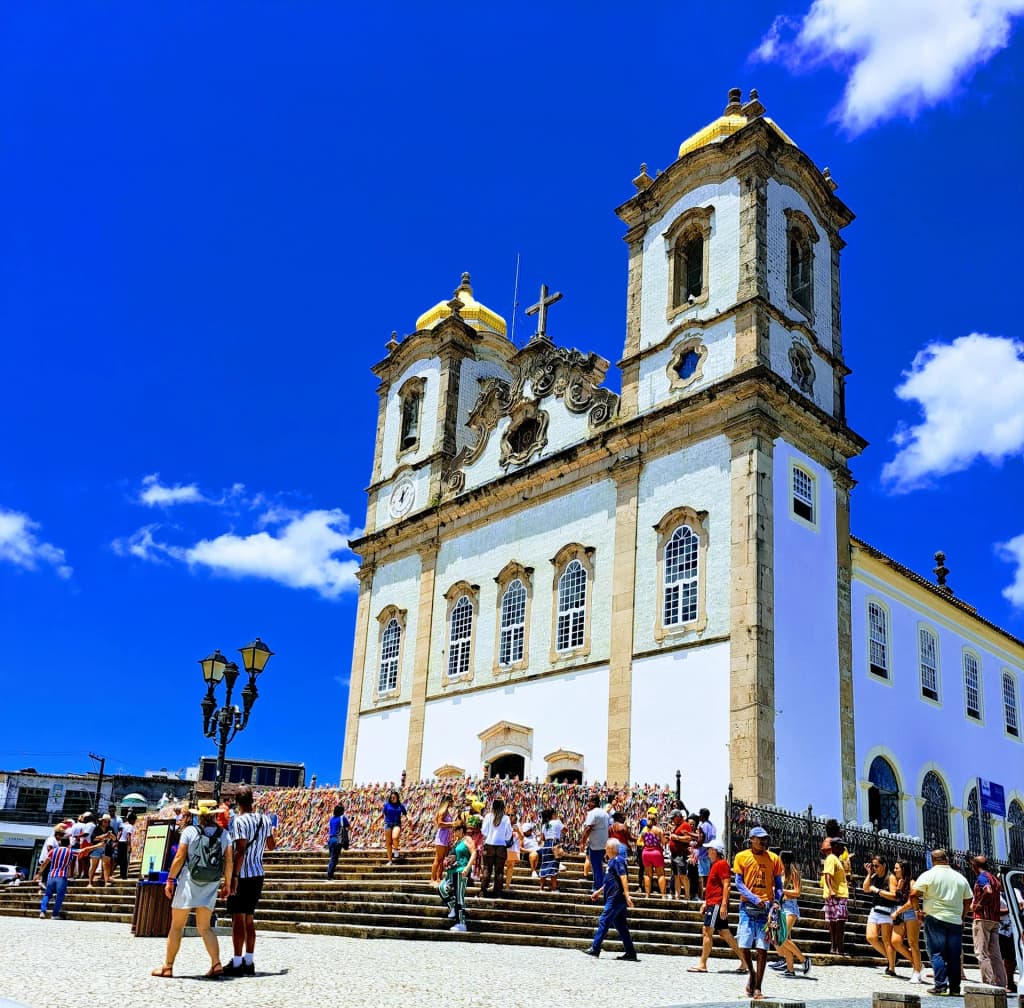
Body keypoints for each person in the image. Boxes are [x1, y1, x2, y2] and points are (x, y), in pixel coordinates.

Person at [151, 801, 232, 979]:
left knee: (177, 926)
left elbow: (180, 857)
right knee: (205, 927)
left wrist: (171, 879)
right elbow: (229, 861)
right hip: (211, 883)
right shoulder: (224, 834)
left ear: (198, 815)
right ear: (214, 814)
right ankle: (216, 963)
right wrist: (227, 883)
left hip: (189, 881)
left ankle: (168, 966)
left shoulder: (190, 831)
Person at [222, 786, 277, 978]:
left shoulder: (239, 821)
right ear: (252, 800)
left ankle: (237, 962)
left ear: (237, 802)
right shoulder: (265, 819)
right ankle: (249, 960)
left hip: (243, 874)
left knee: (237, 918)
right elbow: (271, 846)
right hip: (258, 873)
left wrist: (233, 878)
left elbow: (240, 850)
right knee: (249, 918)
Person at [911, 848, 973, 997]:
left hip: (935, 917)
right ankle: (955, 988)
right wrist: (963, 916)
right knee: (954, 955)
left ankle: (940, 986)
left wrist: (917, 911)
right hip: (955, 920)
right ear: (947, 859)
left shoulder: (928, 875)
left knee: (937, 953)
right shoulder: (960, 877)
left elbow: (913, 894)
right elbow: (968, 899)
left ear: (932, 860)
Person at [732, 825, 783, 1001]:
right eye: (759, 839)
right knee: (744, 944)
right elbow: (738, 883)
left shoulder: (774, 859)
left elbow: (779, 886)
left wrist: (776, 902)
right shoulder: (741, 857)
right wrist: (753, 898)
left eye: (765, 839)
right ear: (751, 839)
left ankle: (758, 987)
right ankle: (752, 974)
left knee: (763, 948)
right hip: (747, 907)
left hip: (765, 910)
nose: (763, 842)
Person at [688, 839, 743, 972]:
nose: (707, 851)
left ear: (715, 851)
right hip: (714, 903)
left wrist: (723, 904)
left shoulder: (722, 864)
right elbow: (715, 887)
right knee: (725, 933)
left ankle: (703, 964)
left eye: (709, 849)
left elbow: (726, 885)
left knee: (707, 931)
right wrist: (706, 902)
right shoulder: (716, 864)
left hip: (717, 904)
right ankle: (745, 961)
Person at [582, 839, 638, 960]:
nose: (605, 850)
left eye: (606, 848)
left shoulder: (618, 860)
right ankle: (630, 952)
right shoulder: (612, 861)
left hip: (615, 898)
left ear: (611, 849)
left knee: (604, 920)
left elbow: (623, 877)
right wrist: (599, 891)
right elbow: (609, 881)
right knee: (621, 926)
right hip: (613, 897)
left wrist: (627, 895)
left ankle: (595, 948)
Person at [769, 849, 810, 976]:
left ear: (784, 861)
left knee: (782, 937)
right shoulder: (780, 873)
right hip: (781, 906)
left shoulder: (793, 873)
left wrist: (781, 891)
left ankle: (804, 959)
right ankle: (790, 969)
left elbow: (797, 892)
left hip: (790, 907)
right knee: (781, 937)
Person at [971, 854, 1008, 989]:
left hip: (982, 918)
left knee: (981, 952)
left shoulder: (982, 877)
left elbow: (988, 890)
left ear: (975, 866)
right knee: (995, 953)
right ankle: (1001, 982)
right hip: (994, 919)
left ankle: (988, 982)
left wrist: (979, 904)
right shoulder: (995, 879)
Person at [862, 853, 899, 975]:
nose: (875, 868)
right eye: (873, 866)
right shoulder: (874, 876)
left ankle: (892, 968)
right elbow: (866, 889)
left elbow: (894, 896)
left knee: (887, 940)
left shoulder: (890, 877)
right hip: (875, 910)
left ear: (883, 865)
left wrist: (878, 891)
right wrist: (868, 874)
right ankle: (892, 958)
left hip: (886, 910)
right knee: (871, 937)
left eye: (876, 866)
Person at [890, 859, 924, 983]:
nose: (894, 870)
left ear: (903, 869)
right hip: (899, 912)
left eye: (897, 868)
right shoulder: (900, 881)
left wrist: (898, 912)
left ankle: (916, 971)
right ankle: (917, 964)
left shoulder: (912, 881)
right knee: (895, 941)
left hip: (910, 912)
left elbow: (912, 901)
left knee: (912, 942)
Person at [439, 819, 475, 932]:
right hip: (452, 871)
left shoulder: (467, 839)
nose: (454, 832)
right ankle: (453, 906)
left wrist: (467, 868)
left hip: (461, 870)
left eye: (455, 830)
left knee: (459, 896)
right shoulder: (457, 841)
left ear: (461, 830)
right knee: (442, 888)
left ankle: (461, 923)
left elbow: (474, 853)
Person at [821, 836, 850, 955]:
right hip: (837, 894)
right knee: (839, 922)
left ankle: (835, 947)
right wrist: (832, 890)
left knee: (834, 921)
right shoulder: (832, 858)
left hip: (836, 893)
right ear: (835, 847)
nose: (843, 848)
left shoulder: (836, 859)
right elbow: (827, 875)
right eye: (841, 846)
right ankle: (839, 947)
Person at [36, 829, 74, 919]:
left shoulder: (53, 851)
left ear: (60, 842)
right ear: (68, 843)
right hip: (62, 875)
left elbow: (45, 862)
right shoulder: (70, 851)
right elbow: (84, 850)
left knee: (47, 894)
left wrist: (39, 873)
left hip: (51, 875)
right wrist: (98, 845)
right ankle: (55, 914)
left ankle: (42, 912)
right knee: (60, 896)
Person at [479, 797, 513, 896]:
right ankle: (497, 893)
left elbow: (484, 831)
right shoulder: (506, 818)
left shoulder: (488, 816)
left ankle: (482, 891)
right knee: (499, 871)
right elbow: (509, 835)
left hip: (489, 845)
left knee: (487, 869)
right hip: (501, 847)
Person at [581, 794, 611, 894]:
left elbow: (588, 828)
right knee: (599, 867)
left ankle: (598, 888)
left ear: (594, 802)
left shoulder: (592, 813)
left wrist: (582, 841)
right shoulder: (605, 814)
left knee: (596, 867)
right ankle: (596, 886)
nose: (587, 804)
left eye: (589, 801)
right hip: (604, 844)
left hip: (595, 845)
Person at [667, 810, 694, 899]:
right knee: (676, 876)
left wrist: (677, 837)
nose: (671, 820)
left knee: (682, 875)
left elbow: (689, 838)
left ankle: (687, 895)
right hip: (674, 854)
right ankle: (677, 895)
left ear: (678, 817)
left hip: (680, 854)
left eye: (672, 818)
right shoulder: (677, 826)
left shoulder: (685, 825)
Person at [640, 814, 667, 897]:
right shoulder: (658, 830)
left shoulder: (644, 831)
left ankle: (647, 895)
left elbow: (641, 841)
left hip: (646, 852)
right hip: (656, 852)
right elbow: (663, 842)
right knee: (660, 874)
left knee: (647, 874)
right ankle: (663, 895)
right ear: (656, 821)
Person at [430, 794, 455, 884]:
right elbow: (440, 824)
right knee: (438, 859)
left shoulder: (446, 811)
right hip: (441, 837)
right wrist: (452, 824)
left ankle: (438, 878)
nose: (453, 803)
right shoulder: (443, 811)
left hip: (446, 837)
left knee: (442, 859)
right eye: (452, 801)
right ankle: (432, 879)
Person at [538, 808, 563, 893]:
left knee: (544, 865)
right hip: (555, 844)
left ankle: (541, 888)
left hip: (546, 845)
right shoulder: (557, 822)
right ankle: (554, 888)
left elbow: (543, 838)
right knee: (554, 866)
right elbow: (565, 829)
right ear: (553, 815)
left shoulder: (545, 824)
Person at [696, 808, 717, 897]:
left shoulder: (703, 826)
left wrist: (695, 845)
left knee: (702, 876)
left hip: (703, 853)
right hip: (710, 853)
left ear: (702, 815)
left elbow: (701, 839)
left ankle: (703, 895)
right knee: (708, 875)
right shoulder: (712, 826)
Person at [326, 803, 350, 880]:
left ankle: (331, 873)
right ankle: (330, 874)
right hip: (338, 839)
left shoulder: (331, 819)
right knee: (334, 858)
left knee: (333, 857)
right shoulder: (343, 818)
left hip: (330, 839)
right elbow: (348, 827)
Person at [382, 790, 407, 865]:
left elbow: (405, 814)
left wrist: (409, 819)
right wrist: (375, 820)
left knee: (395, 837)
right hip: (387, 824)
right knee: (388, 843)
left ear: (397, 798)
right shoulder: (387, 805)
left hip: (397, 824)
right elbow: (383, 814)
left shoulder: (400, 805)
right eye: (391, 797)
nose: (392, 798)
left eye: (394, 797)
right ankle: (390, 860)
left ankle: (396, 849)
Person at [117, 812, 136, 880]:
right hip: (125, 843)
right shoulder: (130, 826)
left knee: (121, 860)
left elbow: (119, 833)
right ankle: (124, 875)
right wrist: (129, 846)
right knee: (125, 861)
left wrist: (117, 841)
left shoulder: (123, 825)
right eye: (134, 821)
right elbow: (128, 836)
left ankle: (122, 874)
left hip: (120, 843)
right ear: (132, 820)